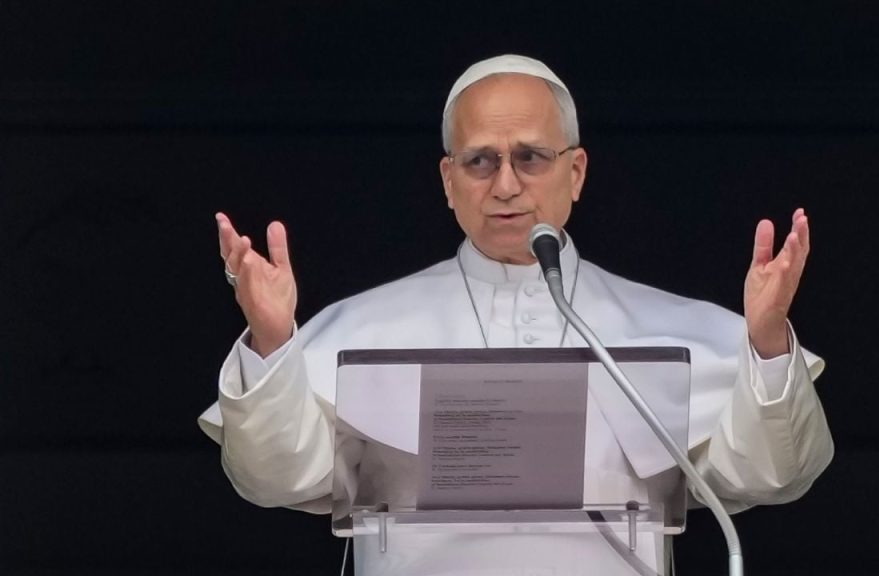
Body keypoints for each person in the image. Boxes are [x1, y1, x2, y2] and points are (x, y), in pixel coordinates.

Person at [198, 54, 833, 575]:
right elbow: (274, 480)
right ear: (448, 182)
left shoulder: (671, 329)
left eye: (530, 156)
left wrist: (766, 343)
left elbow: (772, 477)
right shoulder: (362, 329)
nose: (505, 185)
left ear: (576, 172)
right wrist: (273, 341)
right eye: (480, 161)